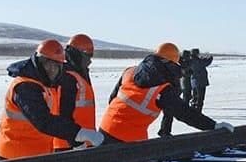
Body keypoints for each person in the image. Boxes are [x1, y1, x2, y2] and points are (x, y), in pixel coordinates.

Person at [100, 42, 233, 143]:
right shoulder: (161, 89)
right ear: (171, 64)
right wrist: (213, 126)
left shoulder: (130, 71)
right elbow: (185, 113)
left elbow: (112, 99)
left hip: (105, 129)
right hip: (130, 140)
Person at [0, 39, 101, 160]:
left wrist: (75, 141)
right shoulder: (25, 86)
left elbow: (59, 116)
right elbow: (43, 121)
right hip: (14, 157)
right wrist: (78, 133)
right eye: (47, 64)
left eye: (56, 66)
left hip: (36, 155)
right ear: (38, 61)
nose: (51, 70)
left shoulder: (47, 84)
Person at [53, 34, 98, 150]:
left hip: (83, 142)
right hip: (69, 145)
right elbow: (63, 114)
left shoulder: (79, 74)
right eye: (88, 56)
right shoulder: (67, 77)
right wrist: (74, 142)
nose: (90, 60)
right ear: (78, 55)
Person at [187, 48, 214, 112]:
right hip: (200, 82)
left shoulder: (190, 61)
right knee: (200, 99)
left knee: (195, 98)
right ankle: (198, 113)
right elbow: (206, 62)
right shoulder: (197, 61)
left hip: (194, 82)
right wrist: (210, 57)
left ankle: (193, 111)